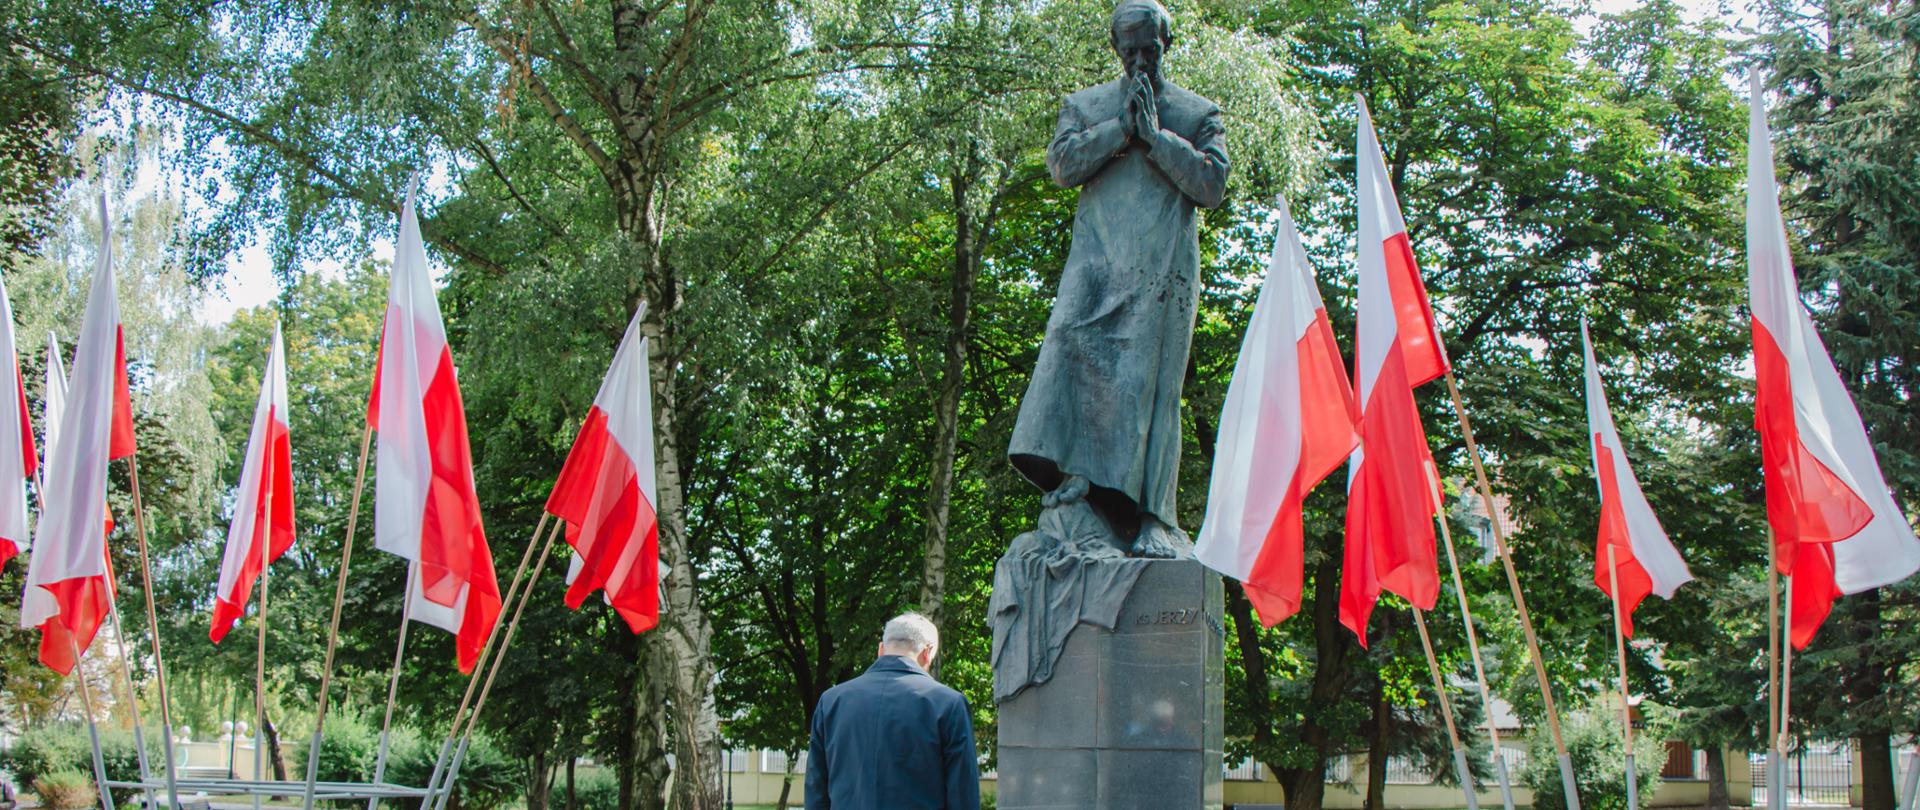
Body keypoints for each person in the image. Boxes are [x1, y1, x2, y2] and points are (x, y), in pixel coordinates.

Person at [1006, 0, 1230, 559]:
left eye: (1148, 50)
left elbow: (1211, 185)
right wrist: (1120, 128)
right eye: (1128, 50)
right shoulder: (1085, 106)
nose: (1138, 61)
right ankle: (1075, 483)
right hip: (1095, 267)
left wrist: (1156, 138)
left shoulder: (1196, 112)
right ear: (1115, 49)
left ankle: (1154, 517)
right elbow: (1063, 165)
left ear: (1164, 47)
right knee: (1066, 354)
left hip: (1162, 272)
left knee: (1151, 390)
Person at [804, 613, 981, 809]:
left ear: (881, 649)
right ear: (927, 653)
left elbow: (816, 790)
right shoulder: (949, 704)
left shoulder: (831, 701)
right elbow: (963, 795)